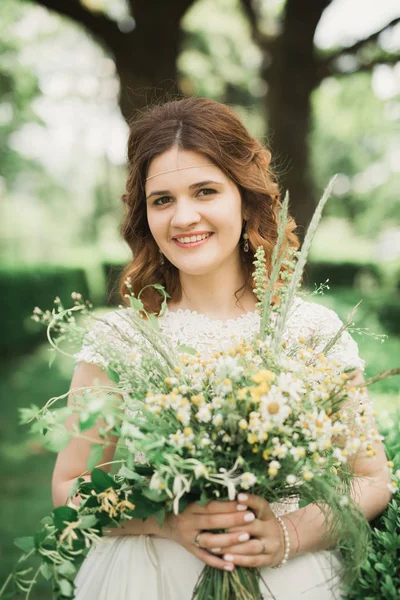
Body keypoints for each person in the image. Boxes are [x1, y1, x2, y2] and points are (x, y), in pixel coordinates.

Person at [52, 97, 391, 600]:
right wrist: (165, 523)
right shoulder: (120, 339)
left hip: (290, 578)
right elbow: (69, 486)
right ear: (144, 215)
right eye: (162, 199)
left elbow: (371, 480)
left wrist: (287, 535)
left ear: (245, 197)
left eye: (205, 191)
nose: (184, 216)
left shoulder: (311, 330)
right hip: (150, 578)